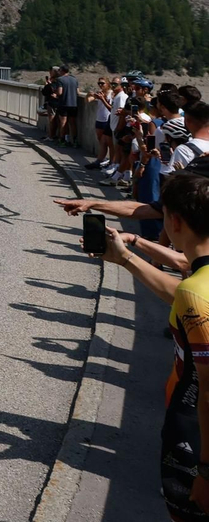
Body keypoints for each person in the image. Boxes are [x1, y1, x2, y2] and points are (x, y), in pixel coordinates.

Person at [96, 170, 209, 521]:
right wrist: (126, 257)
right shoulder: (198, 282)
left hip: (192, 424)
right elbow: (180, 293)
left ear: (174, 222)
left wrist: (206, 472)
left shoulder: (195, 292)